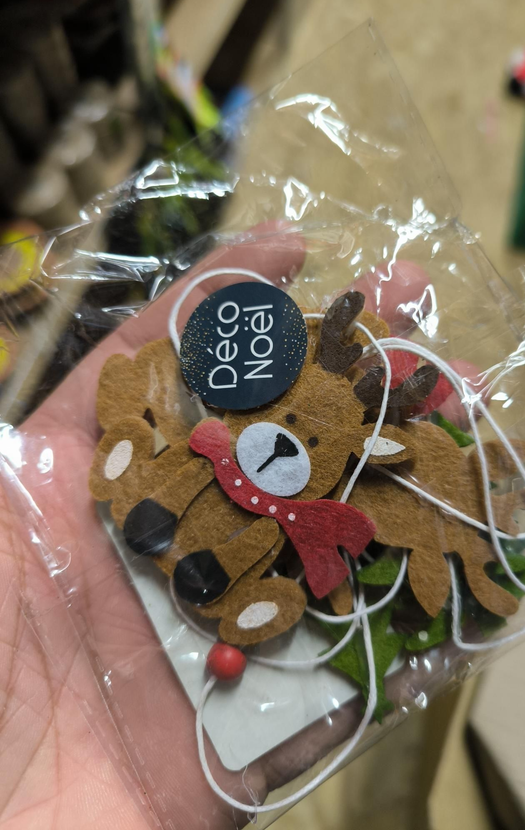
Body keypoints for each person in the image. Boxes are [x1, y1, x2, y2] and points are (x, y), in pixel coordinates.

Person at [0, 223, 443, 829]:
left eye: (318, 446)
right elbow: (189, 472)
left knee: (256, 544)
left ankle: (212, 576)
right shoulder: (212, 445)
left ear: (355, 459)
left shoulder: (292, 514)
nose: (288, 442)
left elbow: (264, 541)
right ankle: (153, 517)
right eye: (290, 419)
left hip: (220, 570)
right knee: (182, 479)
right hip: (157, 513)